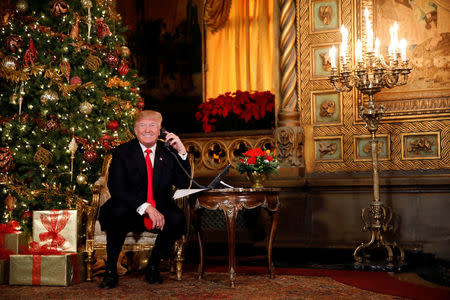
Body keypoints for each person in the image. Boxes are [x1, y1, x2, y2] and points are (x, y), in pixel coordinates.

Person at [98, 110, 190, 289]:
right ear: (135, 130)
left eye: (152, 125)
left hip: (160, 207)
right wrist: (146, 206)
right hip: (129, 207)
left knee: (177, 218)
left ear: (160, 130)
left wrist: (182, 152)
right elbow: (117, 188)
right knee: (116, 212)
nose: (147, 129)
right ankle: (110, 271)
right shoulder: (122, 152)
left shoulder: (169, 152)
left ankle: (153, 265)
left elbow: (182, 182)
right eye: (142, 125)